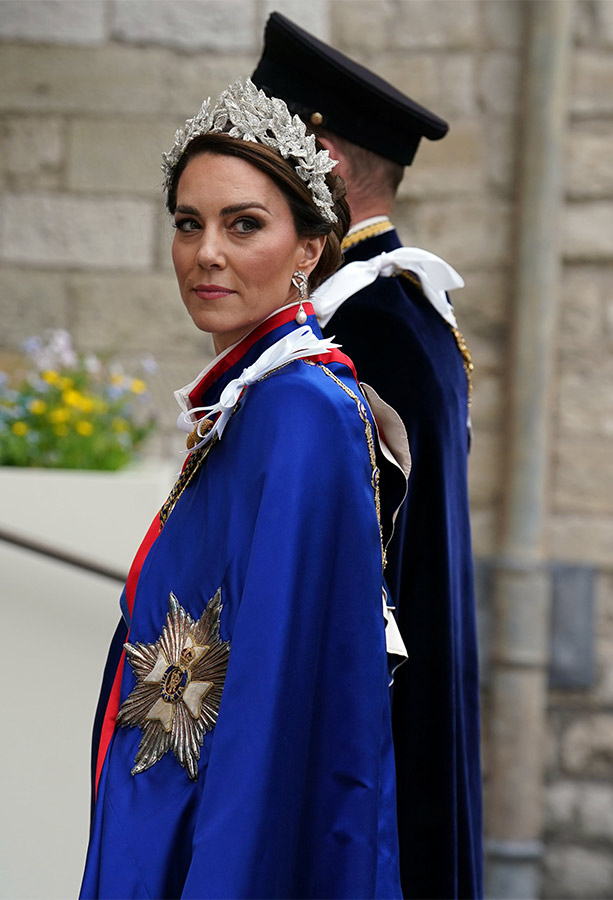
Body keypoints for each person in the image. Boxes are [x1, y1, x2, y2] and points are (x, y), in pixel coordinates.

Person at [80, 78, 410, 900]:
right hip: (172, 811)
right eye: (188, 224)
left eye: (244, 225)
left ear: (309, 248)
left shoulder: (301, 410)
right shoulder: (255, 396)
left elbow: (276, 702)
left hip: (216, 840)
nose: (207, 254)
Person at [253, 14, 483, 899]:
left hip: (367, 748)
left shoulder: (362, 328)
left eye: (268, 153)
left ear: (327, 163)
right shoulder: (400, 311)